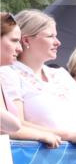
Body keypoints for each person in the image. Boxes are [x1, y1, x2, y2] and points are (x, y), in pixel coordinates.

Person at [4, 10, 76, 147]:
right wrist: (69, 136)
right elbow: (15, 126)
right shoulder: (9, 74)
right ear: (26, 40)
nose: (58, 42)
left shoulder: (62, 75)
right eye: (50, 36)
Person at [1, 13, 60, 145]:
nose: (19, 48)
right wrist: (41, 135)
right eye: (14, 40)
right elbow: (13, 125)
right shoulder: (7, 74)